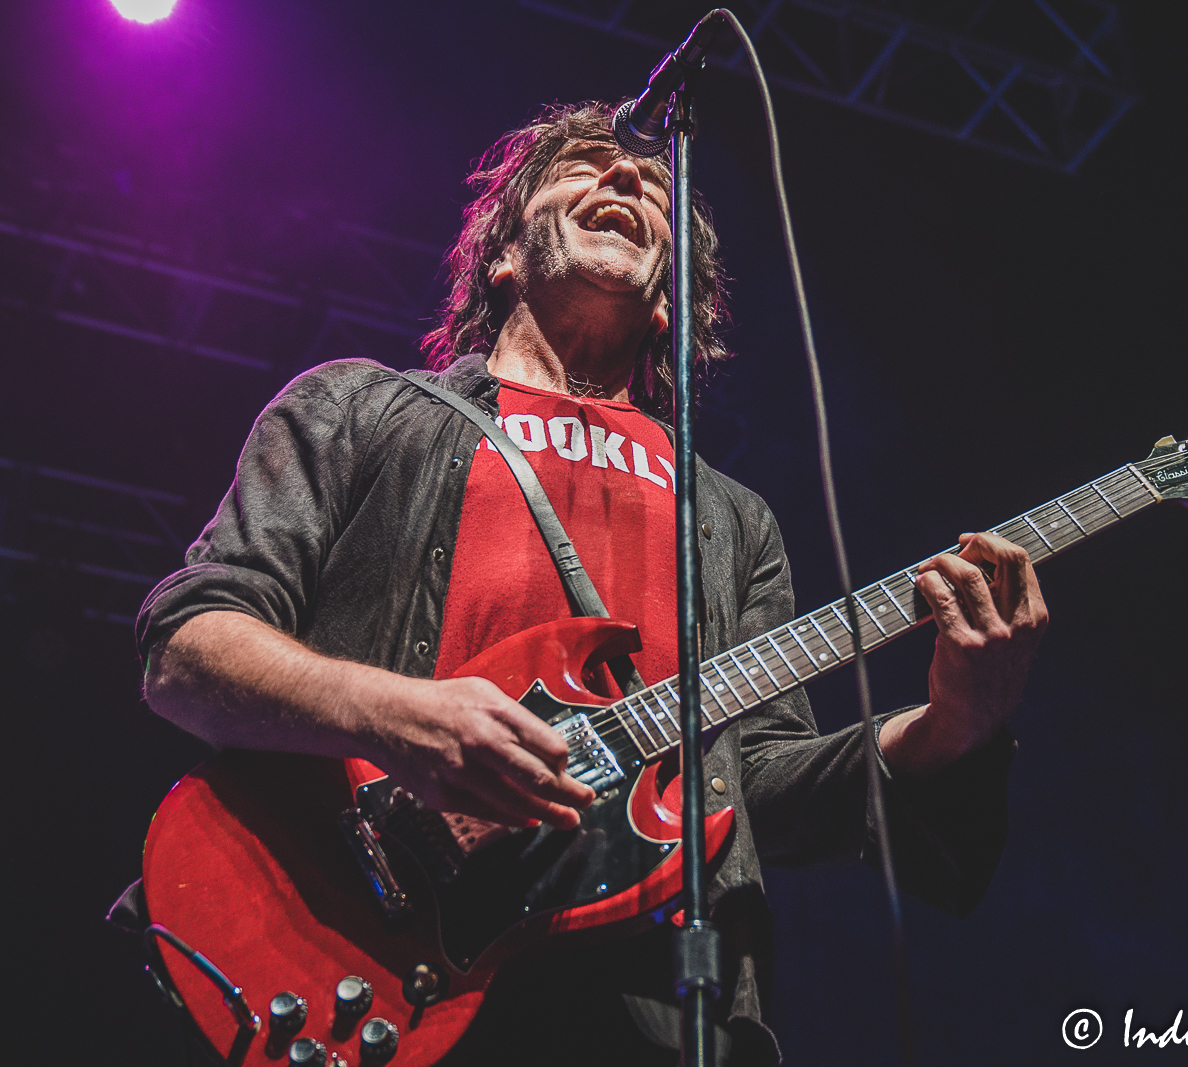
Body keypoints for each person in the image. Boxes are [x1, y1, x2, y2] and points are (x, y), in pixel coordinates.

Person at [137, 101, 1049, 1065]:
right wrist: (394, 714)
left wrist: (958, 723)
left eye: (654, 186)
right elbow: (186, 640)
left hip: (650, 1001)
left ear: (670, 300)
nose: (625, 180)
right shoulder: (360, 406)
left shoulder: (732, 517)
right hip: (373, 952)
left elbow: (756, 783)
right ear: (503, 255)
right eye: (583, 166)